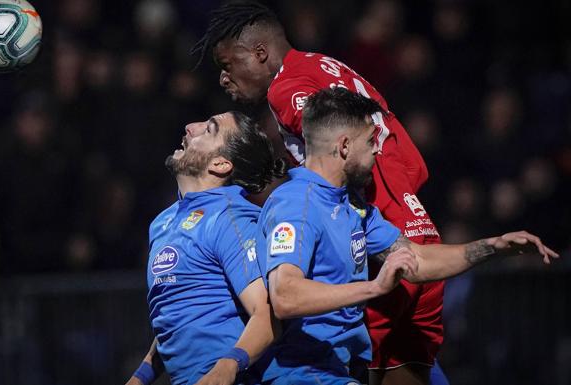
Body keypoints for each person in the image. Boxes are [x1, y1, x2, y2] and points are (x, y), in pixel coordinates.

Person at [192, 2, 446, 384]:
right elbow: (405, 157)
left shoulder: (286, 91)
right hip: (411, 226)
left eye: (228, 66)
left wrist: (309, 204)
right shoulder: (323, 65)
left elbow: (332, 144)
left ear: (260, 54)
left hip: (384, 247)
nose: (224, 79)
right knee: (412, 366)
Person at [256, 88, 558, 385]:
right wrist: (374, 287)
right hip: (300, 373)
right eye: (371, 141)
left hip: (341, 369)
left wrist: (495, 246)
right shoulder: (297, 205)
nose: (378, 149)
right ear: (345, 146)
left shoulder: (352, 206)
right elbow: (285, 296)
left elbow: (418, 259)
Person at [125, 111, 285, 385]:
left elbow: (268, 313)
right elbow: (178, 318)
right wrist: (140, 377)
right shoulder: (163, 223)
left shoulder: (229, 218)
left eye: (208, 130)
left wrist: (228, 366)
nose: (189, 127)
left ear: (221, 164)